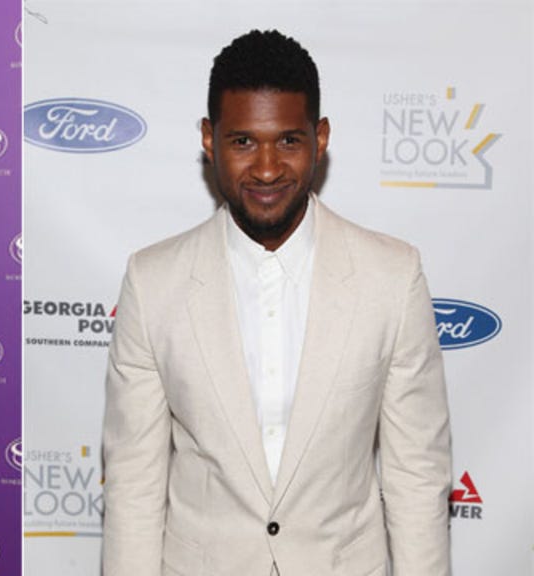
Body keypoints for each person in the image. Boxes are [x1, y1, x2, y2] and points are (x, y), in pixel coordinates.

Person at [102, 30, 451, 575]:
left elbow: (417, 477)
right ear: (209, 139)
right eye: (243, 142)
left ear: (320, 137)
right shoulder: (154, 282)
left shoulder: (392, 276)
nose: (267, 169)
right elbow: (133, 485)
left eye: (288, 141)